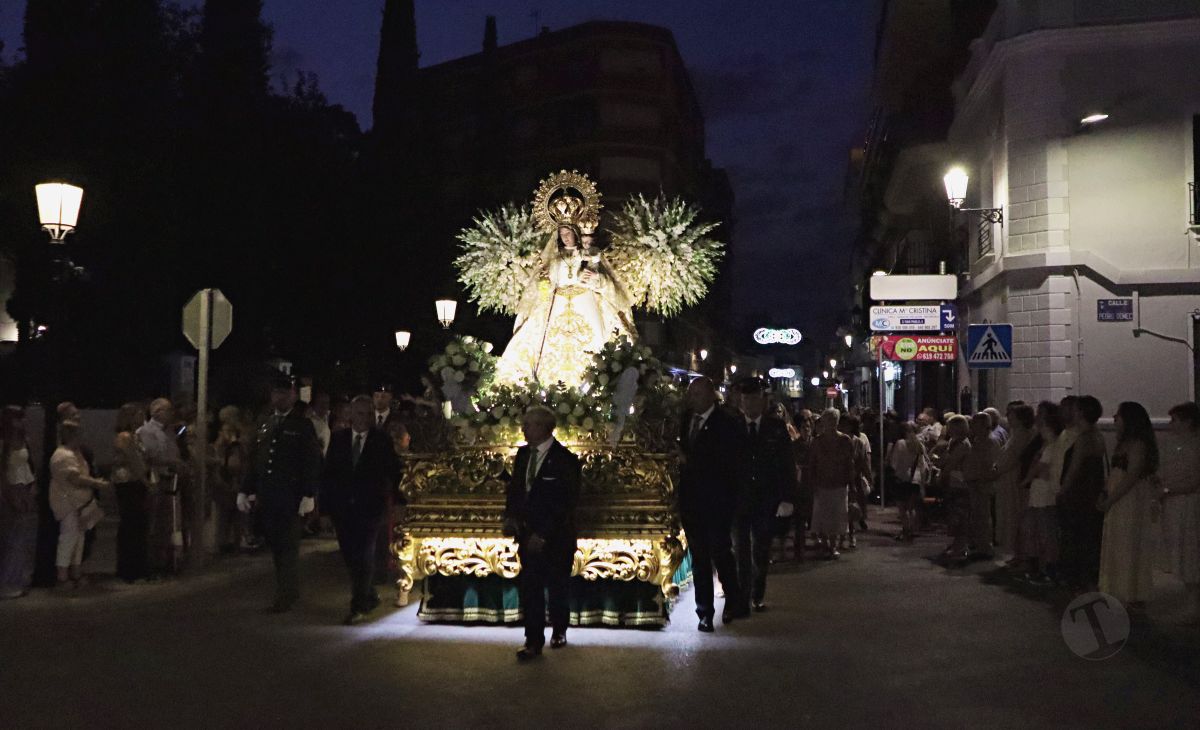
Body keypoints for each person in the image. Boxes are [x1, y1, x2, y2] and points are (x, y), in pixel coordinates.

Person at [495, 198, 637, 387]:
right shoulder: (554, 260)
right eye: (561, 234)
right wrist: (543, 284)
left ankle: (596, 383)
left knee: (593, 343)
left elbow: (605, 283)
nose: (565, 237)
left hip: (585, 302)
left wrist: (594, 278)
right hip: (558, 305)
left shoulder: (589, 255)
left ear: (576, 233)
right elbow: (546, 288)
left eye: (568, 232)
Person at [238, 374, 322, 612]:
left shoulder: (302, 425)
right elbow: (258, 460)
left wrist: (308, 493)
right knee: (275, 545)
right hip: (268, 494)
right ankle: (287, 589)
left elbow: (311, 461)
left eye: (284, 393)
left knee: (287, 546)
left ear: (293, 396)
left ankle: (286, 593)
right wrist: (246, 489)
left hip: (290, 495)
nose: (279, 397)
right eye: (276, 393)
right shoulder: (266, 422)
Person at [504, 406, 580, 660]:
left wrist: (544, 534)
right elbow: (516, 491)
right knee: (531, 587)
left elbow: (565, 503)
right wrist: (512, 519)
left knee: (558, 585)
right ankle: (533, 640)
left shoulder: (565, 460)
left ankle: (559, 629)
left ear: (543, 428)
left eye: (528, 424)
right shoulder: (523, 455)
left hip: (556, 537)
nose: (523, 429)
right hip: (528, 535)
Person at [322, 396, 401, 625]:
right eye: (359, 414)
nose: (364, 419)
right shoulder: (338, 439)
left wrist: (398, 502)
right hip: (343, 508)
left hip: (370, 508)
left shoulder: (381, 440)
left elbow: (393, 471)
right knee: (349, 554)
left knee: (364, 554)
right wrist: (325, 510)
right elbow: (329, 475)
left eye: (368, 414)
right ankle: (367, 593)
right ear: (351, 415)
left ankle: (358, 604)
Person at [677, 376, 745, 630]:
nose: (690, 399)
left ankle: (733, 600)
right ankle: (704, 611)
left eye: (695, 395)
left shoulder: (725, 423)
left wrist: (689, 461)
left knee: (720, 553)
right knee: (699, 558)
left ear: (708, 396)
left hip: (717, 501)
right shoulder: (687, 421)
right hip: (692, 501)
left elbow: (727, 464)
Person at [732, 378, 796, 612]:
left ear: (762, 400)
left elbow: (787, 463)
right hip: (739, 500)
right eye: (745, 399)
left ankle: (757, 594)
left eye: (754, 398)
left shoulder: (775, 427)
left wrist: (787, 498)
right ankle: (743, 595)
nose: (749, 404)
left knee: (760, 549)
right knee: (740, 550)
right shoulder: (733, 426)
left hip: (765, 500)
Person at [1098, 402, 1158, 607]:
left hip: (1129, 499)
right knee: (1116, 541)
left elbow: (1131, 476)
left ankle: (1129, 590)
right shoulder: (1122, 442)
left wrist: (1111, 499)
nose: (1114, 419)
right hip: (1116, 495)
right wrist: (1105, 492)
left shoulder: (1138, 445)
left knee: (1127, 543)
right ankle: (1116, 587)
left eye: (1118, 416)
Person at [49, 421, 109, 587]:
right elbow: (74, 478)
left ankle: (75, 571)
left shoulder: (72, 453)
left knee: (78, 537)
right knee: (69, 538)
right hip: (69, 503)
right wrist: (96, 483)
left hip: (79, 502)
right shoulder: (63, 455)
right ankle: (62, 575)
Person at [1057, 395, 1107, 591]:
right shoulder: (1097, 435)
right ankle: (1087, 575)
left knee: (1075, 536)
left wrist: (1063, 490)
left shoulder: (1084, 438)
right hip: (1091, 492)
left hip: (1079, 494)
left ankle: (1076, 577)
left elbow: (1074, 469)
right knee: (1089, 535)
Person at [1158, 402, 1200, 622]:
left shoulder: (1194, 445)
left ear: (1188, 422)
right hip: (1175, 503)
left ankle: (1195, 605)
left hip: (1187, 504)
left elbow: (1193, 480)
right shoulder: (1175, 444)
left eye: (1175, 420)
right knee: (1182, 551)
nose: (1170, 424)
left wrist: (1167, 489)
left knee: (1190, 552)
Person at [1016, 403, 1063, 584]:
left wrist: (1027, 479)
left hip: (1045, 493)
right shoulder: (1046, 445)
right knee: (1035, 531)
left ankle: (1049, 569)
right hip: (1038, 492)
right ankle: (1038, 565)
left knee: (1046, 533)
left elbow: (1040, 467)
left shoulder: (1052, 447)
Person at [137, 398, 183, 573]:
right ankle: (154, 561)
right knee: (155, 523)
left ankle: (166, 559)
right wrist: (173, 462)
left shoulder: (169, 432)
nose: (171, 414)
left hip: (171, 480)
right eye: (168, 410)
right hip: (158, 479)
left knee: (168, 523)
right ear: (157, 412)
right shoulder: (147, 431)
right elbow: (151, 455)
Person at [0, 406, 39, 598]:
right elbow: (3, 474)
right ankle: (7, 582)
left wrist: (32, 487)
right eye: (18, 418)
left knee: (24, 538)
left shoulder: (24, 440)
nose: (22, 422)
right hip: (11, 491)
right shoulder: (4, 443)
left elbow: (29, 465)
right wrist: (10, 495)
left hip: (25, 488)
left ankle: (19, 578)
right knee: (11, 538)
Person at [808, 409, 856, 560]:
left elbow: (850, 463)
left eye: (833, 420)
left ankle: (833, 545)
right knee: (821, 514)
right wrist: (812, 482)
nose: (830, 424)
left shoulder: (845, 440)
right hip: (822, 483)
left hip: (839, 483)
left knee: (837, 514)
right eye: (827, 420)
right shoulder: (817, 442)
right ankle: (825, 544)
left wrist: (852, 483)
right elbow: (812, 464)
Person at [112, 403, 151, 582]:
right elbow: (135, 463)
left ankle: (135, 567)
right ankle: (131, 569)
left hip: (133, 482)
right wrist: (146, 481)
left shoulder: (135, 436)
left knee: (136, 525)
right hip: (129, 483)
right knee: (132, 524)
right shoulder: (125, 437)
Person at [993, 403, 1035, 558]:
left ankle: (1018, 551)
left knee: (1013, 514)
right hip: (1006, 478)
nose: (1008, 417)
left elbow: (1011, 458)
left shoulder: (1022, 435)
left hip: (1012, 478)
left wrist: (997, 469)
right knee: (1008, 513)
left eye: (1012, 415)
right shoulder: (1015, 433)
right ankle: (1015, 552)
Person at [964, 412, 1000, 560]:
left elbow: (990, 464)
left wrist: (980, 477)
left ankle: (985, 546)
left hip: (982, 484)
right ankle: (979, 544)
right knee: (978, 516)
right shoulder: (979, 440)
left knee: (983, 516)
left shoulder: (989, 441)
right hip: (976, 482)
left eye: (975, 424)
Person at [937, 415, 972, 560]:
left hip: (960, 483)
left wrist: (941, 474)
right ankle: (956, 544)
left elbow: (951, 462)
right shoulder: (953, 442)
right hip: (953, 482)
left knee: (960, 516)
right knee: (953, 515)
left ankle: (961, 546)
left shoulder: (963, 444)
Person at [886, 421, 927, 542]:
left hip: (902, 478)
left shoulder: (900, 444)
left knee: (902, 508)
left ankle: (906, 529)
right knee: (912, 507)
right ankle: (912, 530)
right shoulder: (920, 446)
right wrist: (923, 483)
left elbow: (895, 463)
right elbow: (923, 466)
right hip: (915, 479)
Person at [212, 420, 248, 553]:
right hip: (224, 485)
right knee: (224, 516)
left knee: (237, 516)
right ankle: (223, 543)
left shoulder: (237, 447)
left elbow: (238, 465)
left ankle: (236, 542)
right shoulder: (219, 447)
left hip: (235, 483)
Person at [839, 414, 872, 538]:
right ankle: (843, 534)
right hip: (840, 478)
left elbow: (863, 461)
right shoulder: (839, 440)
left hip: (854, 478)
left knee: (852, 506)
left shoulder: (858, 442)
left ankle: (851, 533)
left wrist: (869, 477)